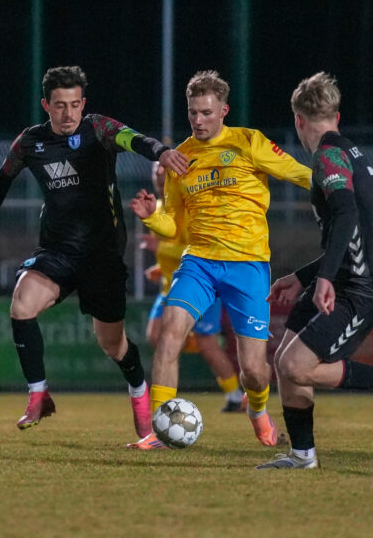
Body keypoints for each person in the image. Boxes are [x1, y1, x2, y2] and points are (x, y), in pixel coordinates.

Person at [0, 66, 188, 439]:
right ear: (45, 105)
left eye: (74, 105)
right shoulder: (30, 142)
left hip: (102, 255)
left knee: (113, 345)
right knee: (21, 304)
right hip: (57, 251)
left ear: (83, 103)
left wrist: (162, 152)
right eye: (59, 106)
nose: (68, 114)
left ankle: (138, 389)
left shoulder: (98, 128)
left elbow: (136, 140)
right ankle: (38, 394)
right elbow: (0, 181)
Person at [128, 70, 311, 450]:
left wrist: (338, 186)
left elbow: (298, 173)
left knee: (256, 372)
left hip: (248, 265)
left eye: (206, 113)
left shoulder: (249, 142)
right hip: (199, 262)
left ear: (223, 110)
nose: (198, 120)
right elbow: (175, 226)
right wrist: (151, 217)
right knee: (168, 336)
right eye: (193, 112)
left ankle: (257, 409)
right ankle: (160, 431)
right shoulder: (180, 158)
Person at [257, 73, 373, 470]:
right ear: (336, 116)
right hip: (346, 274)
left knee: (296, 366)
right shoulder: (350, 153)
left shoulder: (328, 156)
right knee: (285, 360)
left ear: (298, 121)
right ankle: (302, 455)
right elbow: (355, 231)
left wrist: (322, 279)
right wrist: (306, 276)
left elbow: (345, 212)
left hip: (363, 285)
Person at [141, 163, 244, 413]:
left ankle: (236, 395)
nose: (160, 175)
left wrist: (161, 250)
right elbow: (171, 250)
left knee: (208, 346)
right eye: (156, 171)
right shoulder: (155, 208)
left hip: (200, 286)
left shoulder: (189, 207)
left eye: (165, 171)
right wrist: (159, 266)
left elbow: (197, 249)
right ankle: (164, 402)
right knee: (154, 336)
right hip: (169, 286)